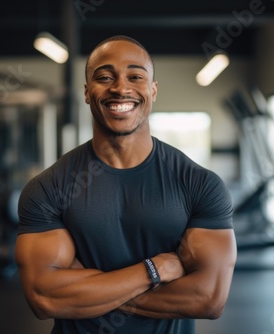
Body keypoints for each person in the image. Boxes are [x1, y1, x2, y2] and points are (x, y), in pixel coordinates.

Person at [15, 35, 237, 334]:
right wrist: (154, 270)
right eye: (105, 77)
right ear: (86, 92)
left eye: (135, 76)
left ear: (153, 90)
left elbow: (208, 299)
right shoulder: (47, 189)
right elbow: (45, 298)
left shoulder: (199, 184)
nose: (120, 88)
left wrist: (91, 289)